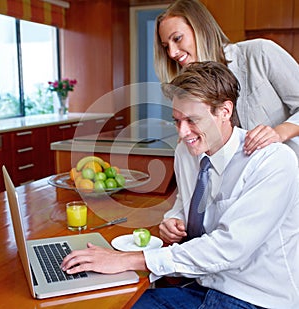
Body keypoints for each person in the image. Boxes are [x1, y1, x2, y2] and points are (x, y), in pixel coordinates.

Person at [61, 61, 299, 309]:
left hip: (255, 298)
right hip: (203, 285)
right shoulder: (186, 152)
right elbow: (184, 201)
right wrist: (173, 218)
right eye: (177, 120)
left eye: (192, 120)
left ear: (225, 111)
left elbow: (229, 247)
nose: (183, 132)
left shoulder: (272, 161)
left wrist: (128, 260)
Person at [154, 0, 299, 157]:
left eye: (177, 39)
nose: (172, 53)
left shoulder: (260, 53)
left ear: (201, 29)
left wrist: (279, 132)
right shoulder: (189, 88)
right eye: (166, 46)